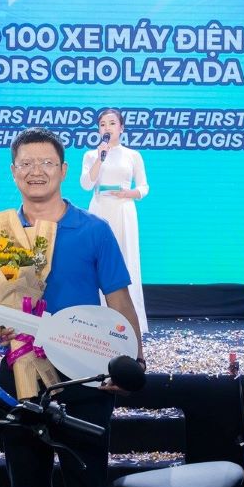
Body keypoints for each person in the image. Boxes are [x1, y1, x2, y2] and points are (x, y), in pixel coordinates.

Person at [0, 127, 146, 487]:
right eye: (26, 164)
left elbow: (119, 301)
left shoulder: (93, 230)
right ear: (13, 171)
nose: (36, 171)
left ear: (63, 170)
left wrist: (132, 361)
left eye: (46, 163)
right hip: (20, 374)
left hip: (86, 377)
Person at [78, 108, 149, 332]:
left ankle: (129, 321)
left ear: (121, 127)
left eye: (111, 123)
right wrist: (100, 158)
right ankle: (96, 320)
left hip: (124, 209)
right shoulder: (91, 155)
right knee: (96, 261)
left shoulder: (132, 155)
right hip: (99, 209)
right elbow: (86, 184)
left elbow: (144, 187)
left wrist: (129, 193)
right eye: (102, 124)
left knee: (125, 259)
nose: (107, 128)